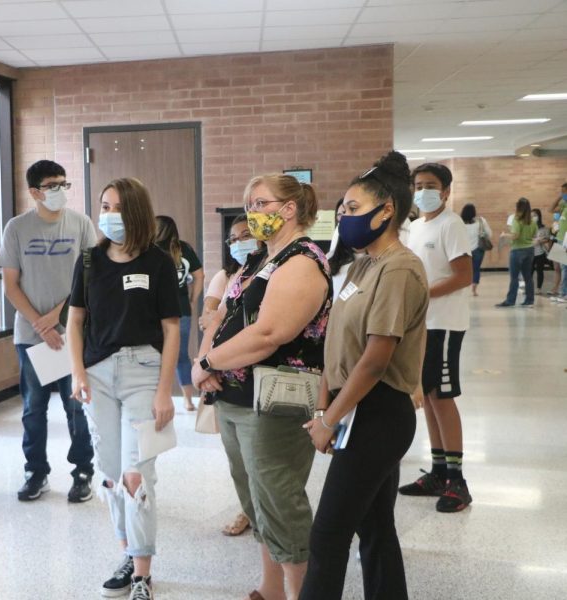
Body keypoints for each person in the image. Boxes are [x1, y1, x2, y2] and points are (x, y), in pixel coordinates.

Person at [193, 174, 330, 600]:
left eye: (261, 203)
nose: (253, 213)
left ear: (290, 209)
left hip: (273, 403)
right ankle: (270, 591)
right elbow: (218, 317)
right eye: (249, 205)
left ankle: (299, 593)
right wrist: (203, 364)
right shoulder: (257, 260)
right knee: (256, 500)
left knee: (279, 500)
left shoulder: (303, 261)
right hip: (234, 396)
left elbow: (270, 333)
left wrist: (209, 361)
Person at [300, 151, 428, 600]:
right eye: (342, 211)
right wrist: (322, 406)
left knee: (328, 536)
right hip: (352, 406)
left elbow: (375, 358)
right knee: (375, 528)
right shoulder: (361, 264)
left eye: (352, 209)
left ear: (387, 210)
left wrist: (330, 419)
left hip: (377, 414)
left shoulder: (400, 268)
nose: (344, 217)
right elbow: (335, 342)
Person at [67, 178, 180, 600]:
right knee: (112, 474)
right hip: (96, 373)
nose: (109, 214)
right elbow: (75, 320)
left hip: (143, 371)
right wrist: (77, 372)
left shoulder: (158, 262)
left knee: (138, 475)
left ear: (134, 211)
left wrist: (164, 390)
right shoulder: (90, 260)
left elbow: (171, 330)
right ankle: (127, 557)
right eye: (104, 205)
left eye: (116, 206)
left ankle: (142, 576)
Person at [0, 160, 98, 503]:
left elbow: (90, 278)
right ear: (34, 192)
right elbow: (11, 285)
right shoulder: (17, 228)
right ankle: (36, 472)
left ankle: (83, 471)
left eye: (63, 183)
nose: (60, 190)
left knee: (77, 407)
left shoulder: (81, 224)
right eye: (52, 184)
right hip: (31, 338)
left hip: (72, 333)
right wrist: (40, 326)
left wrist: (56, 317)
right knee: (32, 408)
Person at [402, 162, 474, 513]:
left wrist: (423, 294)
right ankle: (438, 471)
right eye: (418, 185)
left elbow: (463, 276)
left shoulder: (452, 223)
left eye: (429, 185)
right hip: (421, 324)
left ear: (445, 191)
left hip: (445, 324)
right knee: (429, 397)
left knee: (442, 397)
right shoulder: (415, 226)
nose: (422, 191)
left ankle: (458, 482)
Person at [201, 214, 262, 538]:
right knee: (239, 466)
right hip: (223, 381)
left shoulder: (276, 269)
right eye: (233, 239)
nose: (239, 243)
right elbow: (210, 319)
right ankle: (250, 513)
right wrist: (203, 365)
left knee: (262, 469)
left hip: (258, 387)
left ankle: (268, 531)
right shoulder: (232, 276)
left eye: (245, 235)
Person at [155, 215, 204, 412]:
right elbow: (199, 275)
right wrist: (192, 299)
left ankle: (157, 398)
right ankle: (188, 401)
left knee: (153, 356)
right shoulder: (184, 248)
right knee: (181, 356)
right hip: (180, 309)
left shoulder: (149, 249)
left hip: (153, 312)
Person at [496, 197, 537, 308]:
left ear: (518, 207)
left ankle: (510, 301)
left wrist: (504, 235)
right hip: (529, 250)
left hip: (518, 250)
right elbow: (534, 235)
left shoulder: (516, 219)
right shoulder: (532, 221)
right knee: (528, 277)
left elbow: (515, 236)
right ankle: (529, 300)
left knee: (514, 277)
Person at [460, 203, 492, 296]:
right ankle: (474, 290)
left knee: (464, 269)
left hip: (463, 249)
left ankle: (463, 288)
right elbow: (489, 234)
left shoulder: (459, 222)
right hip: (478, 249)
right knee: (476, 269)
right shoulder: (481, 221)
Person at [328, 198, 357, 301]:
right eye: (340, 214)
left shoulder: (370, 258)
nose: (343, 218)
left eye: (351, 210)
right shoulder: (330, 257)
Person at [531, 208, 551, 292]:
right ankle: (528, 288)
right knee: (529, 272)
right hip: (530, 253)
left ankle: (539, 288)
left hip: (540, 253)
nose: (533, 217)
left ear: (539, 216)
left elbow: (547, 239)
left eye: (535, 215)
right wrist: (533, 240)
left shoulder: (544, 228)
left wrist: (540, 241)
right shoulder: (528, 227)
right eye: (531, 216)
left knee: (540, 271)